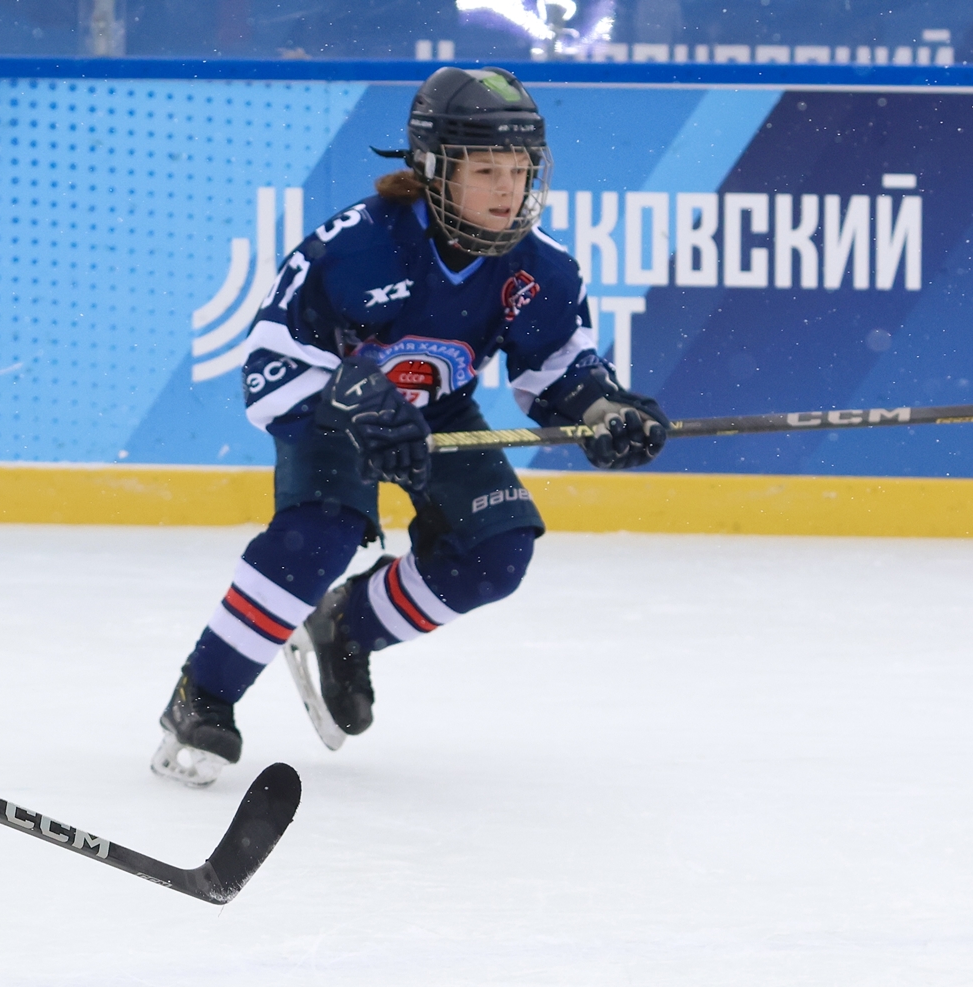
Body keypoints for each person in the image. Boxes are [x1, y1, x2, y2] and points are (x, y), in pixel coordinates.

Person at [152, 67, 671, 787]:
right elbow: (273, 364)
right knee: (320, 535)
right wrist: (352, 403)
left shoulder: (542, 269)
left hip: (436, 410)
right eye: (486, 169)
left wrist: (605, 412)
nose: (507, 190)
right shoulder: (355, 248)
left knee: (498, 553)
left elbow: (558, 367)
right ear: (431, 168)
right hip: (333, 407)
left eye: (519, 171)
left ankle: (346, 629)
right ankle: (203, 693)